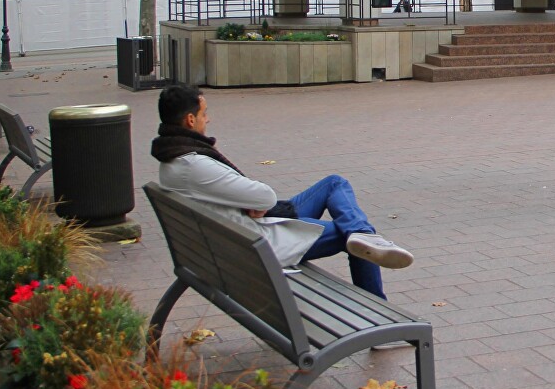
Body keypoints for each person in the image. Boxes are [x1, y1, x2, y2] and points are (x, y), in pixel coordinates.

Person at [153, 85, 412, 299]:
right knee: (351, 235)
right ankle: (377, 310)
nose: (207, 119)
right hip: (257, 244)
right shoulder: (193, 165)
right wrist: (253, 203)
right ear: (190, 120)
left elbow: (248, 197)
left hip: (245, 228)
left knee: (334, 183)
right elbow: (265, 197)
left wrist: (249, 203)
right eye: (204, 113)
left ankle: (363, 233)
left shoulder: (173, 160)